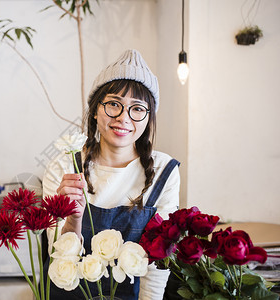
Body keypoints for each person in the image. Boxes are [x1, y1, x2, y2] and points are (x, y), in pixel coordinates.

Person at [42, 49, 180, 300]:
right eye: (114, 104)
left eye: (137, 109)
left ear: (148, 119)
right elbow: (57, 254)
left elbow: (158, 264)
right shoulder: (64, 167)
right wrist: (73, 219)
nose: (124, 118)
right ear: (96, 110)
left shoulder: (163, 171)